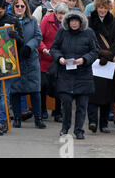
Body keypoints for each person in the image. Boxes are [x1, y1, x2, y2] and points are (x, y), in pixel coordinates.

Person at [50, 9, 99, 139]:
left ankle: (79, 130)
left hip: (83, 74)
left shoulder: (88, 33)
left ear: (81, 21)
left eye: (76, 20)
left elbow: (95, 51)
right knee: (66, 103)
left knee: (82, 105)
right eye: (71, 20)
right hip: (65, 74)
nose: (74, 23)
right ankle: (65, 128)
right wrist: (59, 58)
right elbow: (54, 48)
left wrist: (84, 59)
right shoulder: (62, 32)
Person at [9, 0, 46, 129]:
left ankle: (38, 118)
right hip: (15, 59)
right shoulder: (9, 21)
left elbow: (38, 36)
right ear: (13, 7)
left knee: (35, 90)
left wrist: (29, 46)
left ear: (26, 8)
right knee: (15, 91)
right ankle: (17, 118)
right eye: (17, 6)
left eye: (22, 6)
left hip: (30, 59)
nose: (19, 8)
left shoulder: (32, 21)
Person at [87, 0, 115, 134]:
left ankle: (104, 123)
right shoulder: (90, 21)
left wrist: (108, 55)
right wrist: (98, 54)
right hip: (94, 61)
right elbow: (88, 40)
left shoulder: (113, 21)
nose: (102, 10)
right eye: (100, 7)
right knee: (93, 94)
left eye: (104, 8)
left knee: (107, 95)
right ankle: (93, 121)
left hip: (108, 62)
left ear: (108, 8)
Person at [0, 0, 24, 136]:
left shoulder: (13, 21)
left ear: (5, 9)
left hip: (7, 63)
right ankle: (4, 118)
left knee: (4, 94)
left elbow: (22, 43)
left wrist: (16, 37)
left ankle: (0, 122)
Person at [39, 3, 68, 122]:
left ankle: (58, 112)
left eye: (64, 14)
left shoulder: (68, 23)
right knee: (43, 86)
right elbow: (39, 37)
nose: (62, 16)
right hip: (45, 58)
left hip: (59, 60)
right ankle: (43, 110)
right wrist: (44, 49)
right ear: (55, 13)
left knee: (59, 87)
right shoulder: (46, 20)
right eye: (60, 13)